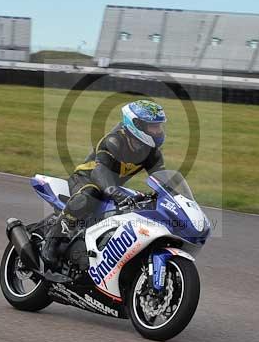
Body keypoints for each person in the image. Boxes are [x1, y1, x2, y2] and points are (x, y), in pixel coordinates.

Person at [41, 99, 167, 267]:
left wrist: (168, 196)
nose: (158, 131)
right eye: (154, 126)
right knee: (89, 196)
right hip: (87, 179)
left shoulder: (152, 153)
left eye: (159, 126)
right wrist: (114, 192)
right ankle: (52, 240)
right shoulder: (113, 141)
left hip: (113, 187)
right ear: (137, 124)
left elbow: (162, 179)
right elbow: (100, 171)